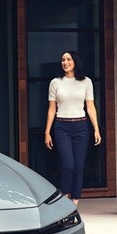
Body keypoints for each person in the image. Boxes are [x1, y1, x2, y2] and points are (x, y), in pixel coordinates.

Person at [43, 51, 102, 205]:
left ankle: (75, 201)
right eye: (63, 60)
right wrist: (47, 132)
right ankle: (64, 196)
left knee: (79, 166)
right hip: (62, 126)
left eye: (68, 59)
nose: (65, 62)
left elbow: (90, 106)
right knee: (68, 165)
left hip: (81, 126)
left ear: (75, 61)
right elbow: (51, 108)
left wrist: (96, 128)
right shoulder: (55, 82)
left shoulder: (86, 82)